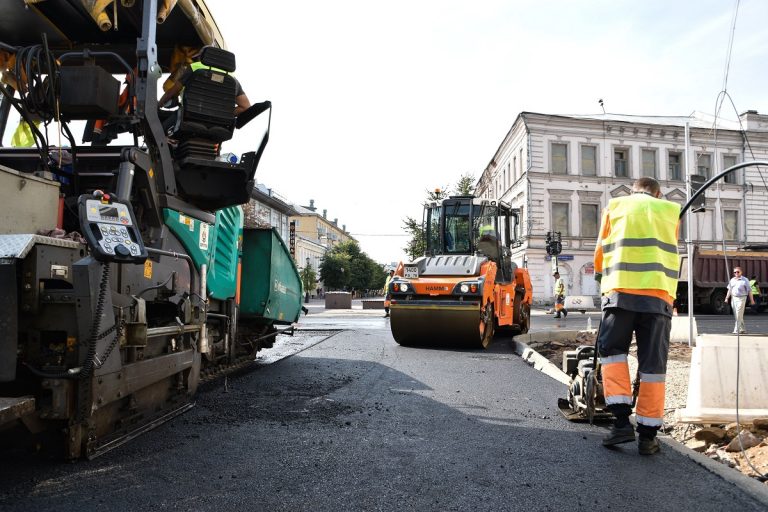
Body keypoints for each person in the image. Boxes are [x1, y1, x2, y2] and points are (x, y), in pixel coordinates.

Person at [593, 177, 680, 456]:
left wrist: (601, 280)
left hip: (620, 293)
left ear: (632, 191)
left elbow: (600, 252)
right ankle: (648, 437)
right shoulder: (669, 211)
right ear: (659, 193)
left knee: (613, 354)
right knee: (653, 366)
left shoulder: (615, 206)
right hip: (658, 298)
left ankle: (620, 423)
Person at [724, 267, 754, 334]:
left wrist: (752, 300)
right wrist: (726, 298)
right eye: (735, 272)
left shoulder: (745, 280)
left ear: (741, 272)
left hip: (742, 298)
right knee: (737, 314)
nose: (736, 273)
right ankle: (742, 329)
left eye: (738, 272)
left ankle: (736, 330)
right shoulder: (732, 280)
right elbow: (729, 290)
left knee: (738, 314)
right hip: (733, 298)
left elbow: (749, 290)